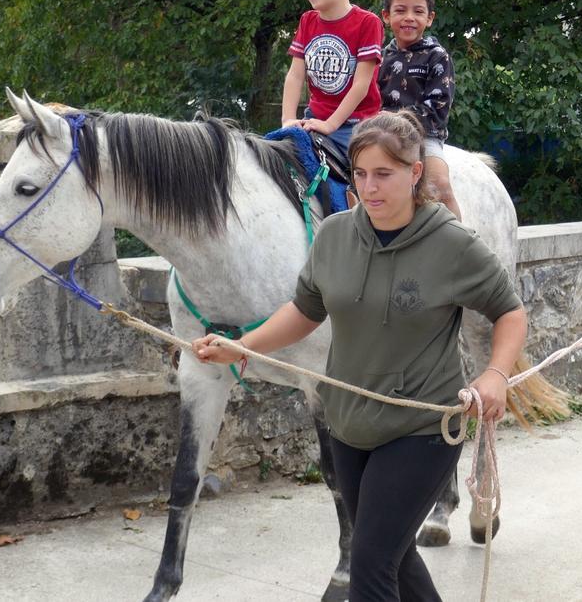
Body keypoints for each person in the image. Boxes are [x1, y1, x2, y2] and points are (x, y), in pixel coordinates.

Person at [193, 111, 527, 601]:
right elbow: (304, 311)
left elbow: (510, 312)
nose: (370, 188)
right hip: (348, 429)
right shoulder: (333, 236)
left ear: (415, 174)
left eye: (384, 174)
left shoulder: (453, 244)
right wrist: (243, 345)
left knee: (370, 565)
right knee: (396, 556)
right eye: (361, 174)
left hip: (421, 430)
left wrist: (495, 374)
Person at [281, 0, 383, 155]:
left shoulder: (368, 22)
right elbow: (295, 75)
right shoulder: (307, 21)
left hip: (356, 124)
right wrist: (288, 119)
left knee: (367, 171)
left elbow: (361, 84)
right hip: (314, 117)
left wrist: (331, 125)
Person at [378, 0, 461, 219]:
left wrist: (397, 120)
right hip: (381, 133)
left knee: (440, 185)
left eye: (418, 11)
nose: (409, 18)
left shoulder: (437, 56)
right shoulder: (380, 57)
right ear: (386, 16)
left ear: (430, 18)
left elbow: (438, 110)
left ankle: (462, 244)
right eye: (400, 10)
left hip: (424, 137)